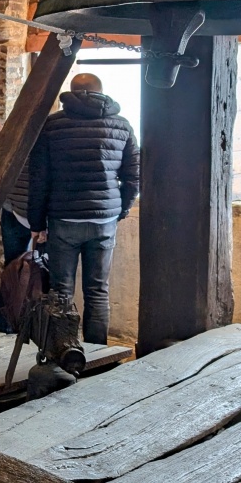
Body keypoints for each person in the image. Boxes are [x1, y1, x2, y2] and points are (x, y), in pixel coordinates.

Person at [27, 74, 139, 345]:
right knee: (98, 290)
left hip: (64, 218)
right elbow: (134, 177)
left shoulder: (52, 126)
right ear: (102, 92)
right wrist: (119, 210)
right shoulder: (121, 125)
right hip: (104, 220)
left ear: (71, 92)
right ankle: (98, 355)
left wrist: (36, 222)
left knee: (60, 292)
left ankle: (62, 353)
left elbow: (39, 178)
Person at [0, 164, 34, 333]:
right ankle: (32, 330)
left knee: (12, 274)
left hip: (14, 206)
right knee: (42, 276)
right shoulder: (53, 136)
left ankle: (2, 329)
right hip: (39, 211)